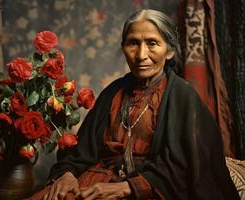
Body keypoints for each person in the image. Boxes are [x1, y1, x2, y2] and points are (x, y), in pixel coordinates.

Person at [27, 9, 240, 200]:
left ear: (169, 51)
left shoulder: (184, 97)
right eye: (133, 43)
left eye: (152, 43)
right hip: (94, 184)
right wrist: (67, 174)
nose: (141, 55)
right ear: (124, 48)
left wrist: (127, 188)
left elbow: (192, 167)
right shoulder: (113, 92)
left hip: (148, 191)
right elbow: (80, 151)